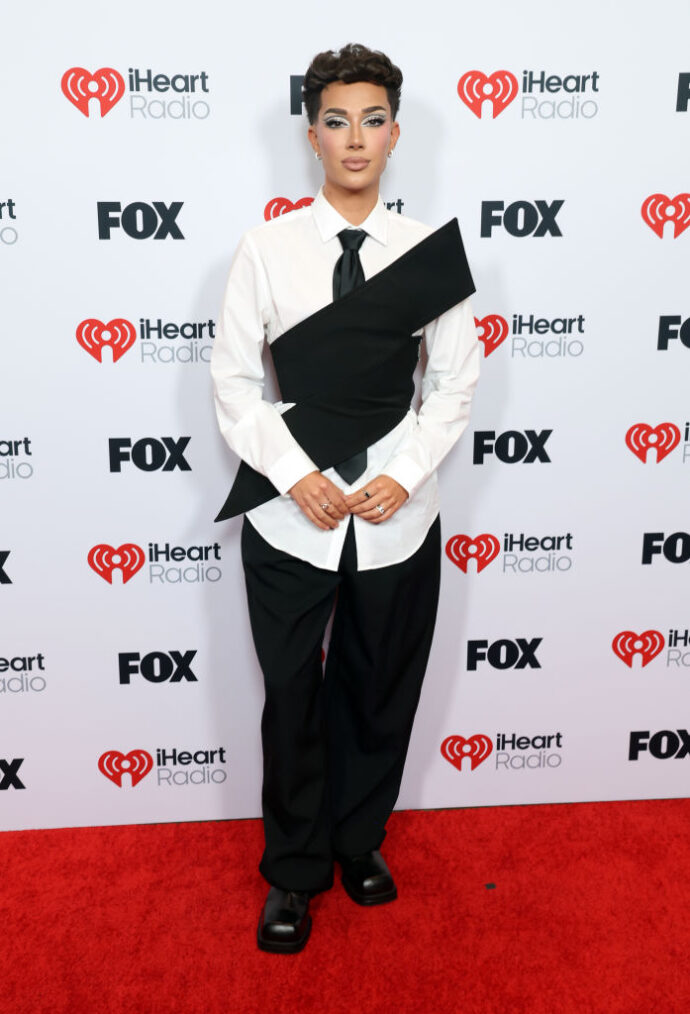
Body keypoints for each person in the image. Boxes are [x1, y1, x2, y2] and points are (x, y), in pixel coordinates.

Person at [211, 43, 480, 953]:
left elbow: (452, 386)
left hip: (399, 516)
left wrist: (402, 475)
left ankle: (357, 843)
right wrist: (298, 476)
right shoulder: (266, 249)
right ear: (312, 136)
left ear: (396, 134)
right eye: (336, 120)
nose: (355, 138)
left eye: (372, 120)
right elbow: (235, 386)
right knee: (291, 695)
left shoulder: (428, 258)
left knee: (377, 690)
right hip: (294, 516)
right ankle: (292, 875)